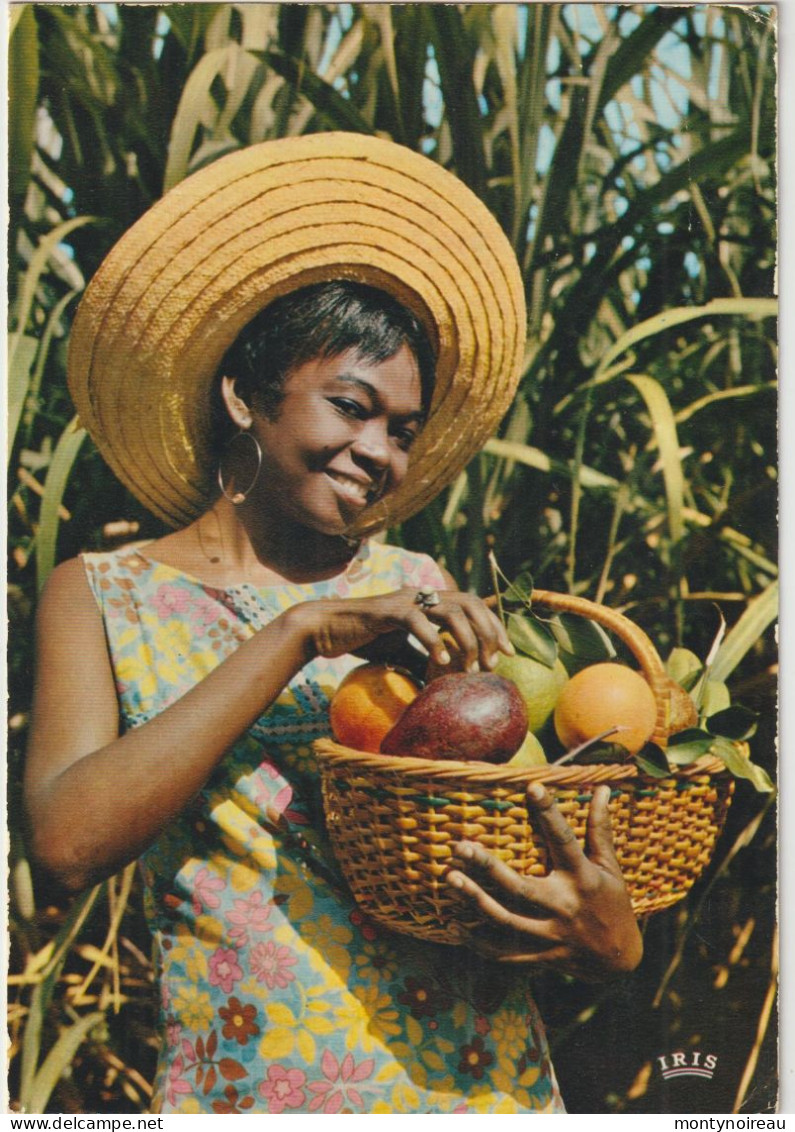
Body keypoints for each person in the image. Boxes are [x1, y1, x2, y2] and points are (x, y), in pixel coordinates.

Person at [24, 134, 642, 1115]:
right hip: (259, 1091)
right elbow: (63, 839)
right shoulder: (105, 592)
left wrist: (605, 938)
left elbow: (502, 850)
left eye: (402, 429)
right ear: (243, 396)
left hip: (473, 1088)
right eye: (352, 407)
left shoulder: (419, 587)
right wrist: (298, 632)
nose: (378, 452)